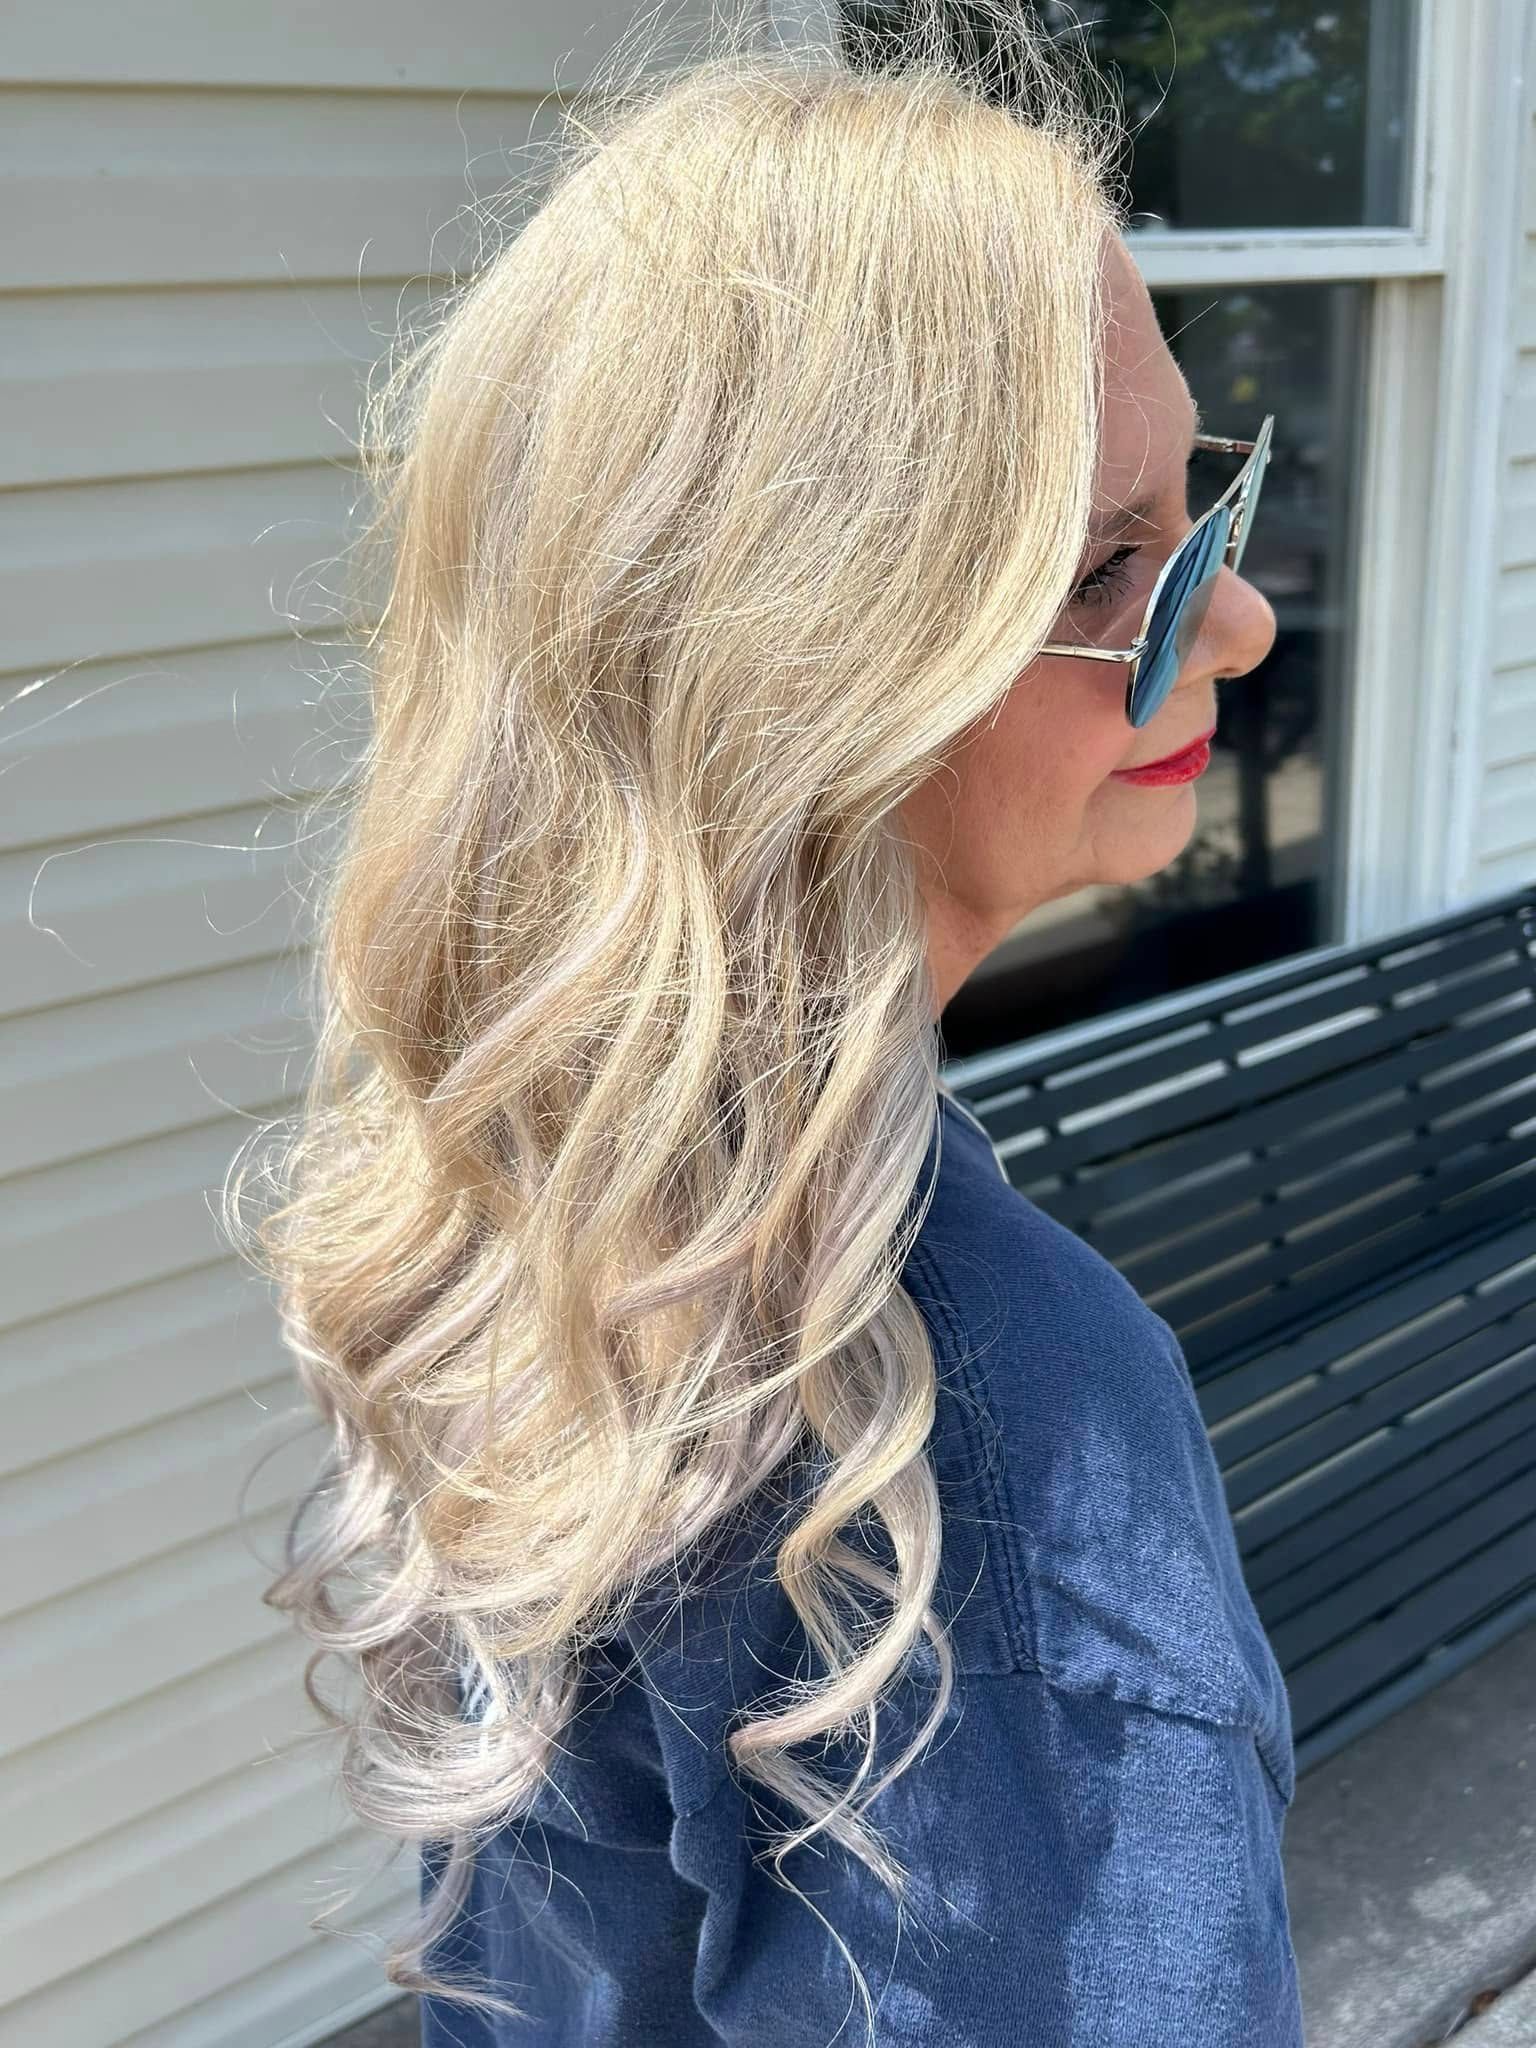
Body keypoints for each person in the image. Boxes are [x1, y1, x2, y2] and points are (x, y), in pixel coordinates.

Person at [242, 3, 1301, 2042]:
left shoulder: (534, 1199)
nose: (1240, 621)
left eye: (1215, 511)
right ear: (820, 691)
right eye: (1122, 565)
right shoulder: (987, 1455)